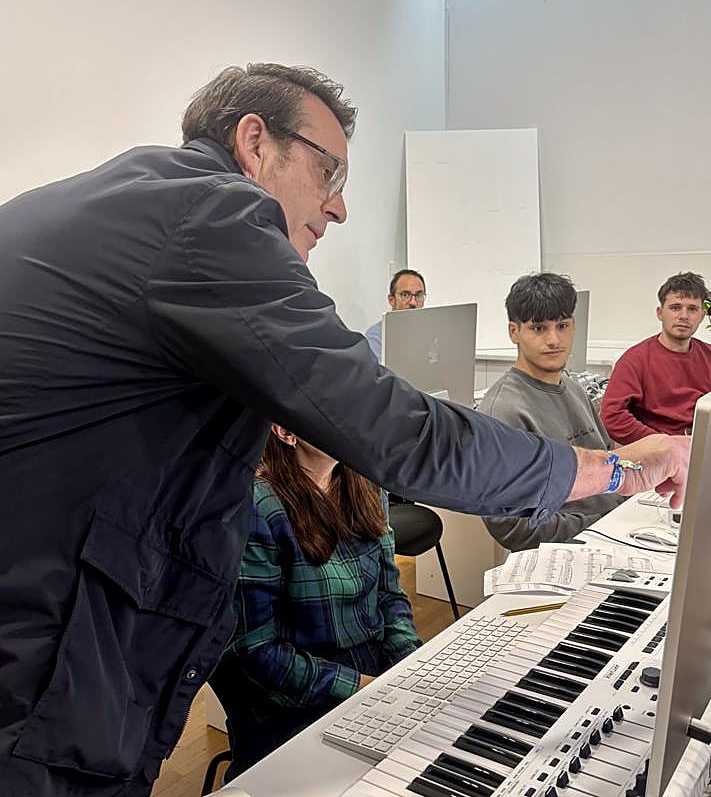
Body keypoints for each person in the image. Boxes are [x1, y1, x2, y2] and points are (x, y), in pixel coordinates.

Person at [0, 62, 689, 797]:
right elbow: (398, 431)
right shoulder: (209, 212)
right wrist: (618, 469)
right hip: (42, 659)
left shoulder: (127, 203)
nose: (339, 209)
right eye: (327, 173)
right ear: (254, 141)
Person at [209, 425, 420, 778]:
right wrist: (364, 688)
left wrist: (410, 661)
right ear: (285, 431)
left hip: (367, 667)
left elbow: (389, 594)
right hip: (290, 691)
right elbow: (256, 652)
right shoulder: (257, 506)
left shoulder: (365, 481)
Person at [478, 273, 625, 550]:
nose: (554, 339)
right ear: (514, 332)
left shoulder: (574, 388)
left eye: (562, 325)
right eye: (538, 328)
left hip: (613, 530)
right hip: (572, 547)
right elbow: (513, 528)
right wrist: (602, 524)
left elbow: (608, 465)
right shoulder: (503, 411)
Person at [601, 271, 711, 444]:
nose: (683, 316)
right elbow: (612, 417)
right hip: (657, 453)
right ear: (660, 313)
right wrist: (665, 443)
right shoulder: (635, 360)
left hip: (701, 447)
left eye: (692, 309)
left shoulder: (708, 355)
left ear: (702, 316)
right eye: (675, 307)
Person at [365, 268, 427, 361]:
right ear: (391, 300)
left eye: (418, 295)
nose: (413, 302)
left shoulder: (431, 332)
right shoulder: (377, 335)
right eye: (405, 295)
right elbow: (378, 373)